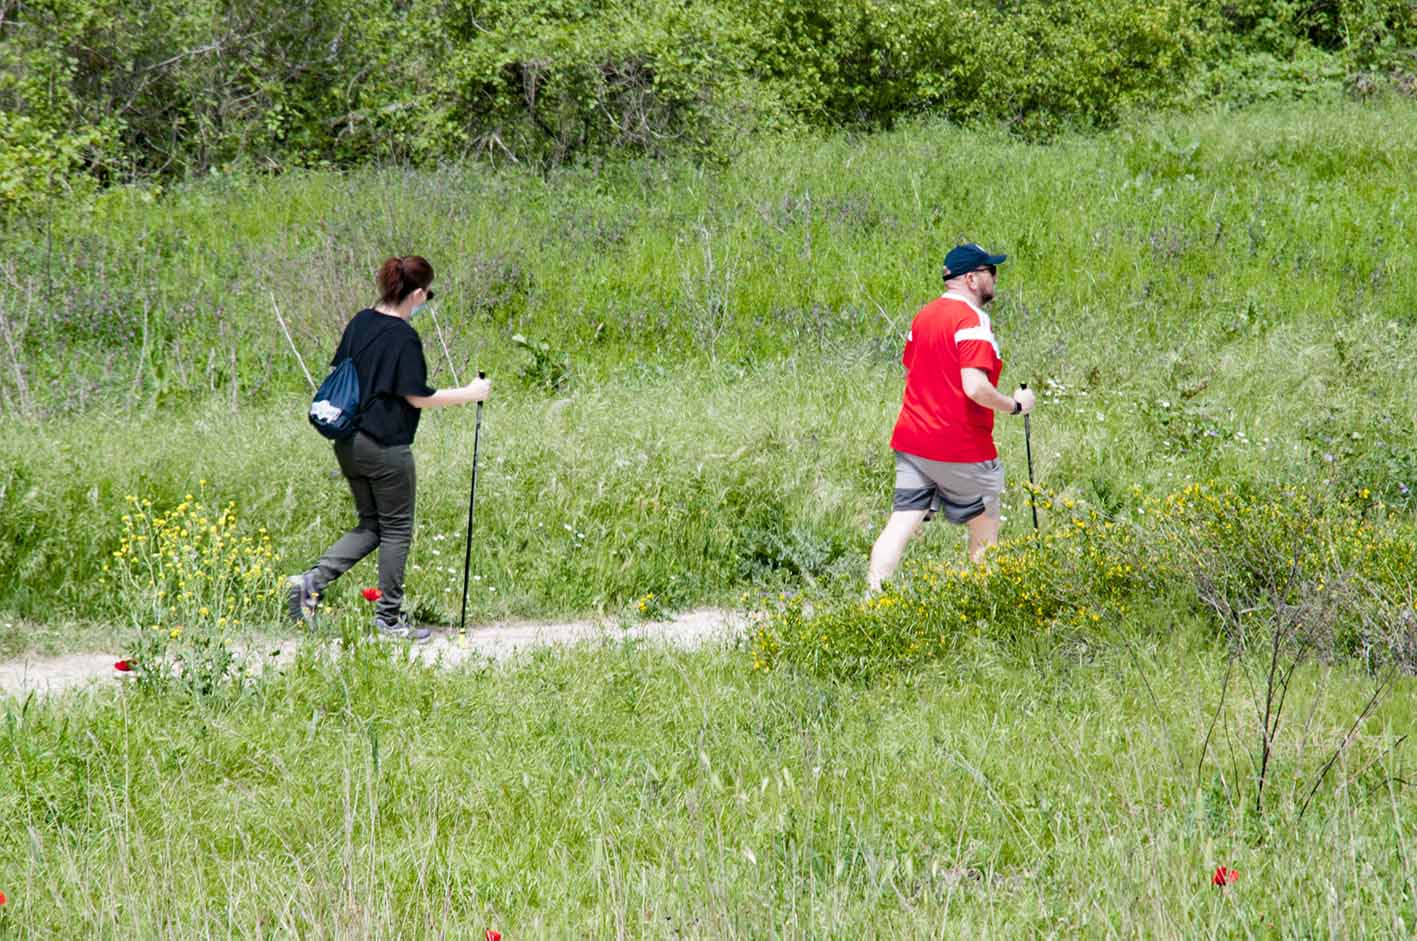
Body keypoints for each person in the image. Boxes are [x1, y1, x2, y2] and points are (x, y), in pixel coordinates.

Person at [287, 255, 491, 640]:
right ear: (416, 293)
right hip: (385, 446)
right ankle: (389, 619)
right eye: (426, 295)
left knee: (371, 524)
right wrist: (471, 393)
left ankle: (310, 582)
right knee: (397, 529)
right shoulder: (403, 337)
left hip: (348, 441)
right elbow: (416, 396)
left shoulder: (360, 321)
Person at [867, 242, 1036, 591]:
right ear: (972, 279)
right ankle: (982, 609)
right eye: (992, 271)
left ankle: (872, 601)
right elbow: (974, 387)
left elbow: (912, 371)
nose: (995, 279)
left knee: (900, 524)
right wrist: (1015, 405)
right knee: (985, 531)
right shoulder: (973, 320)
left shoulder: (923, 316)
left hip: (912, 440)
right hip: (962, 446)